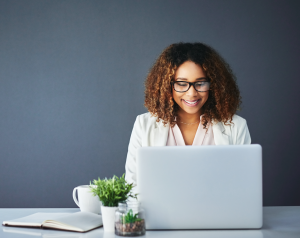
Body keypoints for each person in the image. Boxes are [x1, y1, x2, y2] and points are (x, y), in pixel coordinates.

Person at [125, 42, 251, 191]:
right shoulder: (143, 125)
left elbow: (244, 186)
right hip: (159, 213)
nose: (191, 93)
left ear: (214, 85)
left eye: (201, 83)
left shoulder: (236, 126)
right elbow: (133, 186)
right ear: (166, 86)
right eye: (181, 83)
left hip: (218, 212)